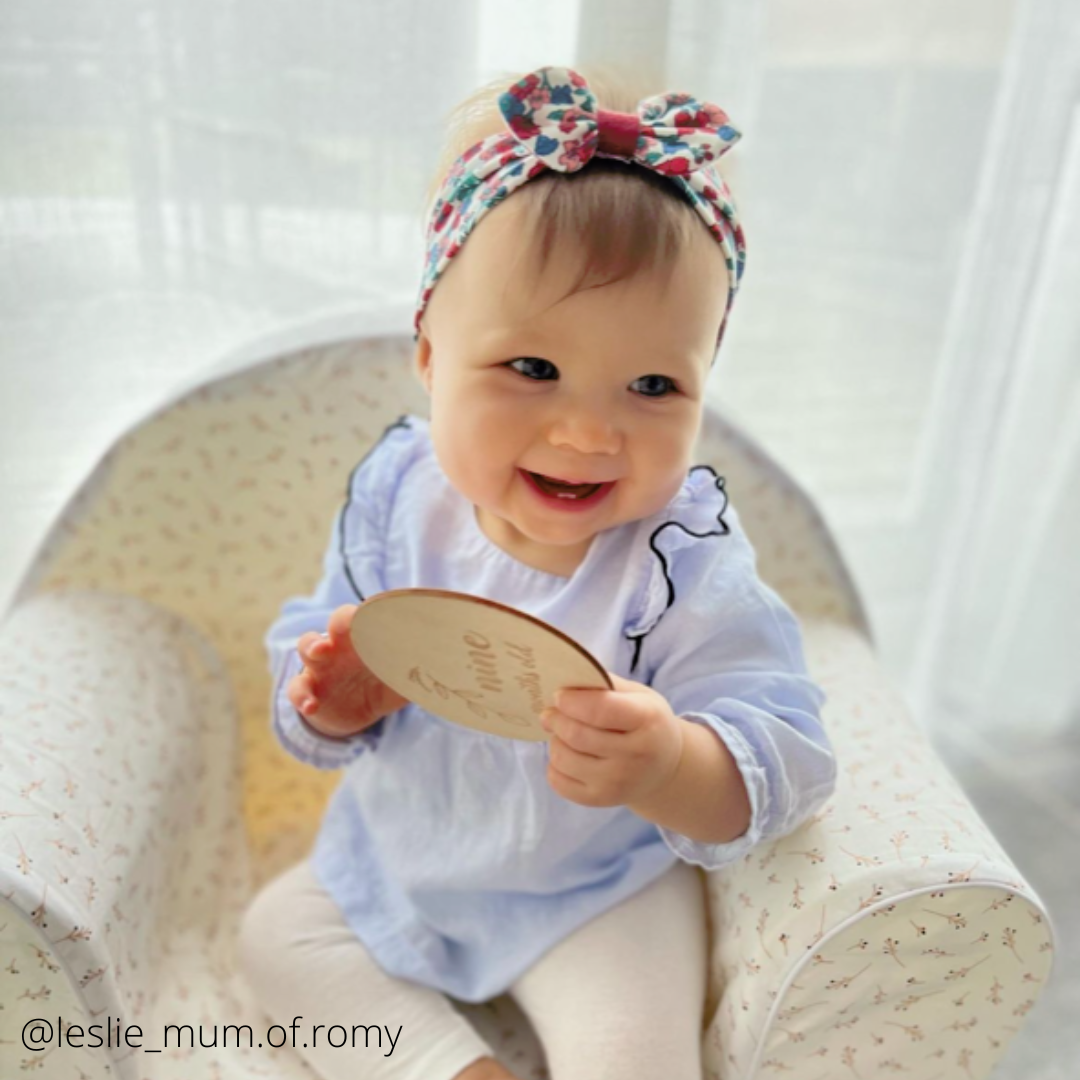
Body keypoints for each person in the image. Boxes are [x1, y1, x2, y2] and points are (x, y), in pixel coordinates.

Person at [237, 64, 836, 1080]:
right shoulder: (399, 497)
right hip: (400, 854)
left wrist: (673, 765)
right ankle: (454, 1070)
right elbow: (316, 643)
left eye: (654, 384)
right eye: (533, 369)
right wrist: (333, 699)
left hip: (594, 887)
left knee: (635, 1059)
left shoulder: (678, 560)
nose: (589, 432)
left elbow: (792, 752)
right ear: (430, 357)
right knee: (275, 941)